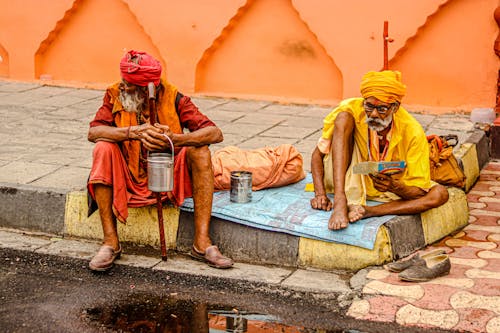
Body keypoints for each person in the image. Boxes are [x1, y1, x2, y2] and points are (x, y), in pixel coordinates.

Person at [87, 50, 233, 271]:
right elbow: (94, 132)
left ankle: (202, 242)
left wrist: (174, 140)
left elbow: (215, 133)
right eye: (124, 82)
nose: (123, 87)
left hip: (167, 174)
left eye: (130, 85)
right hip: (126, 173)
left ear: (148, 89)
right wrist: (132, 132)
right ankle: (110, 242)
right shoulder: (115, 94)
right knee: (102, 148)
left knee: (201, 151)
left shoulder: (174, 97)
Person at [310, 70, 449, 230]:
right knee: (343, 118)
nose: (374, 114)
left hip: (387, 189)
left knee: (440, 194)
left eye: (382, 109)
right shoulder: (352, 109)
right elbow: (316, 155)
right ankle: (341, 202)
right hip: (345, 177)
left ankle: (369, 211)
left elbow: (419, 191)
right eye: (369, 106)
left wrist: (394, 186)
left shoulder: (412, 131)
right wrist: (320, 194)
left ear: (395, 108)